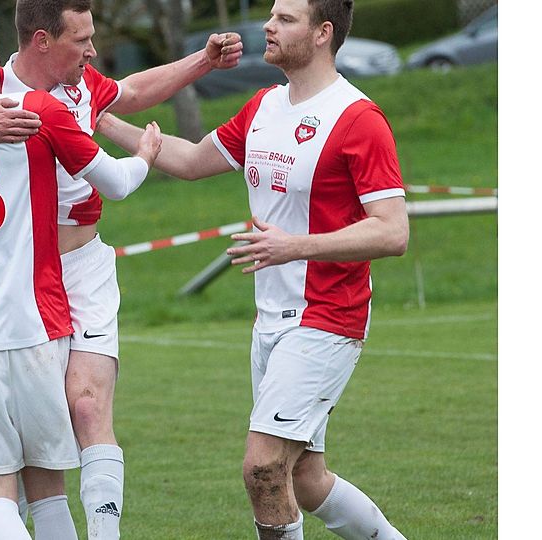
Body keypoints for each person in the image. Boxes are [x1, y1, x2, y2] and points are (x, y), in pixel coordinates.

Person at [0, 1, 243, 537]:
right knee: (39, 479)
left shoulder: (66, 90)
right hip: (32, 294)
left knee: (72, 425)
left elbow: (134, 91)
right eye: (82, 39)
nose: (92, 50)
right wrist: (144, 153)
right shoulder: (29, 112)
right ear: (32, 43)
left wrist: (202, 61)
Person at [96, 0, 409, 538]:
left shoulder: (360, 120)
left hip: (327, 318)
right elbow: (192, 160)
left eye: (286, 18)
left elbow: (393, 230)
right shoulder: (264, 106)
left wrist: (297, 247)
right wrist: (98, 121)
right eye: (271, 14)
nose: (268, 25)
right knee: (306, 479)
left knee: (263, 467)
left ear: (322, 33)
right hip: (270, 322)